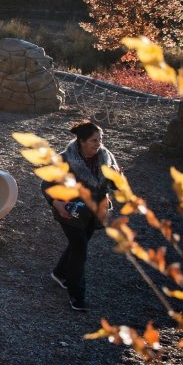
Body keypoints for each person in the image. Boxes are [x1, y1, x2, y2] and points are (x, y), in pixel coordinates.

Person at [46, 120, 120, 312]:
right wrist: (57, 203)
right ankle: (77, 295)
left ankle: (59, 273)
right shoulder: (64, 160)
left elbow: (116, 185)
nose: (99, 144)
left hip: (94, 212)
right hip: (70, 211)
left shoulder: (106, 157)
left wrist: (118, 177)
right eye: (94, 140)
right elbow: (46, 186)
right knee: (80, 250)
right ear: (81, 141)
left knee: (79, 243)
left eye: (100, 139)